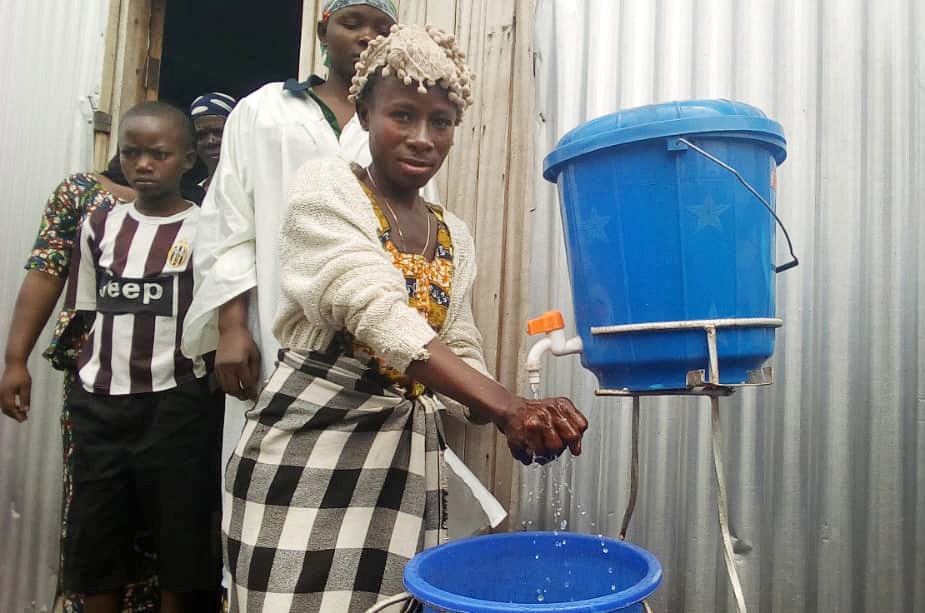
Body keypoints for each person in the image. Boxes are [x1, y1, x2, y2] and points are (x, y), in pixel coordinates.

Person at [222, 25, 589, 612]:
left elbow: (458, 346)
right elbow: (375, 311)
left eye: (440, 122)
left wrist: (518, 420)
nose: (422, 138)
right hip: (304, 450)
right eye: (402, 116)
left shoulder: (454, 235)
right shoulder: (326, 190)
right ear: (363, 115)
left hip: (397, 466)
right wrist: (506, 406)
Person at [181, 0, 404, 507]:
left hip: (370, 329)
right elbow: (228, 222)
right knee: (269, 476)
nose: (368, 37)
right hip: (273, 326)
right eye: (352, 23)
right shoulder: (263, 110)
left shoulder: (396, 120)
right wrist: (232, 327)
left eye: (382, 29)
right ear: (323, 30)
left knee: (360, 487)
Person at [61, 101, 222, 613]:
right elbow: (85, 306)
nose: (144, 165)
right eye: (132, 153)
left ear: (188, 159)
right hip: (101, 402)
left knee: (181, 532)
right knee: (96, 532)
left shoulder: (207, 229)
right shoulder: (99, 225)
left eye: (159, 154)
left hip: (176, 402)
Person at [0, 159, 169, 612]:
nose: (146, 159)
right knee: (96, 509)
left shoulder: (196, 202)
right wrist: (16, 359)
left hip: (177, 390)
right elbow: (47, 270)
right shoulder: (80, 194)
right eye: (136, 147)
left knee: (171, 513)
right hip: (96, 384)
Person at [189, 92, 237, 191]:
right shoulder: (192, 195)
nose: (210, 141)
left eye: (219, 132)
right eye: (201, 135)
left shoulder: (253, 188)